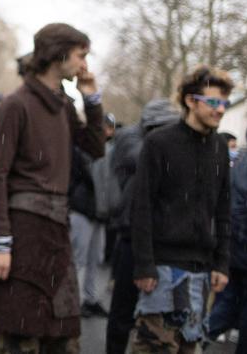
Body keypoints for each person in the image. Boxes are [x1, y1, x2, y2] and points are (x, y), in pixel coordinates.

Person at [0, 22, 105, 353]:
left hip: (56, 230)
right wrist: (2, 241)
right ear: (58, 54)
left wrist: (91, 97)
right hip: (23, 230)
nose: (84, 65)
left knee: (61, 335)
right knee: (17, 335)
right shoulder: (17, 103)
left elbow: (95, 147)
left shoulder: (63, 104)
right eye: (81, 56)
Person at [129, 66, 234, 353]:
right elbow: (142, 207)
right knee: (153, 347)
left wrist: (222, 263)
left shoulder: (220, 148)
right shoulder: (159, 143)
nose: (220, 110)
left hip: (202, 271)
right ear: (190, 101)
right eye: (213, 102)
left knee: (190, 346)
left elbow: (224, 210)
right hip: (162, 268)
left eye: (224, 103)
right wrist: (144, 264)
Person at [105, 99, 178, 354]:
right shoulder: (130, 138)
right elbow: (143, 159)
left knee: (157, 316)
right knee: (122, 310)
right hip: (130, 234)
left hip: (161, 237)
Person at [206, 122, 247, 351]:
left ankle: (196, 339)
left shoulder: (241, 164)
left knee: (226, 307)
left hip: (235, 253)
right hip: (244, 254)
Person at [68, 112, 117, 319]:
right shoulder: (83, 148)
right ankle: (71, 300)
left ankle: (89, 298)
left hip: (99, 213)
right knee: (78, 257)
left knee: (94, 258)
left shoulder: (110, 150)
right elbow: (92, 177)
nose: (108, 131)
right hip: (83, 209)